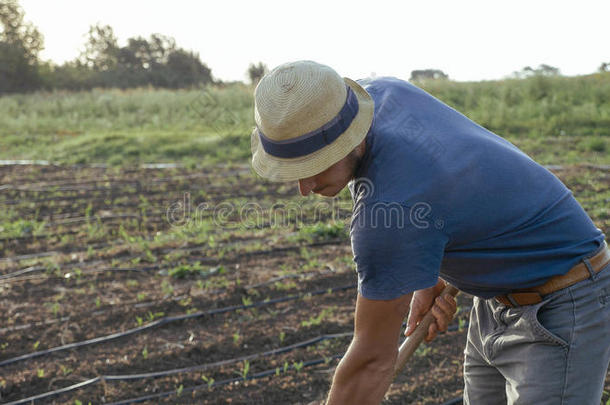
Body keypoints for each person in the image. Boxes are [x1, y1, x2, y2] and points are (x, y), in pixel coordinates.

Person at [249, 60, 610, 405]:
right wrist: (425, 274)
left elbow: (370, 363)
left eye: (314, 165)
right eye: (293, 168)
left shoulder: (387, 215)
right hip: (495, 300)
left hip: (565, 302)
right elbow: (453, 171)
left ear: (350, 137)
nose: (304, 186)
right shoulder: (381, 94)